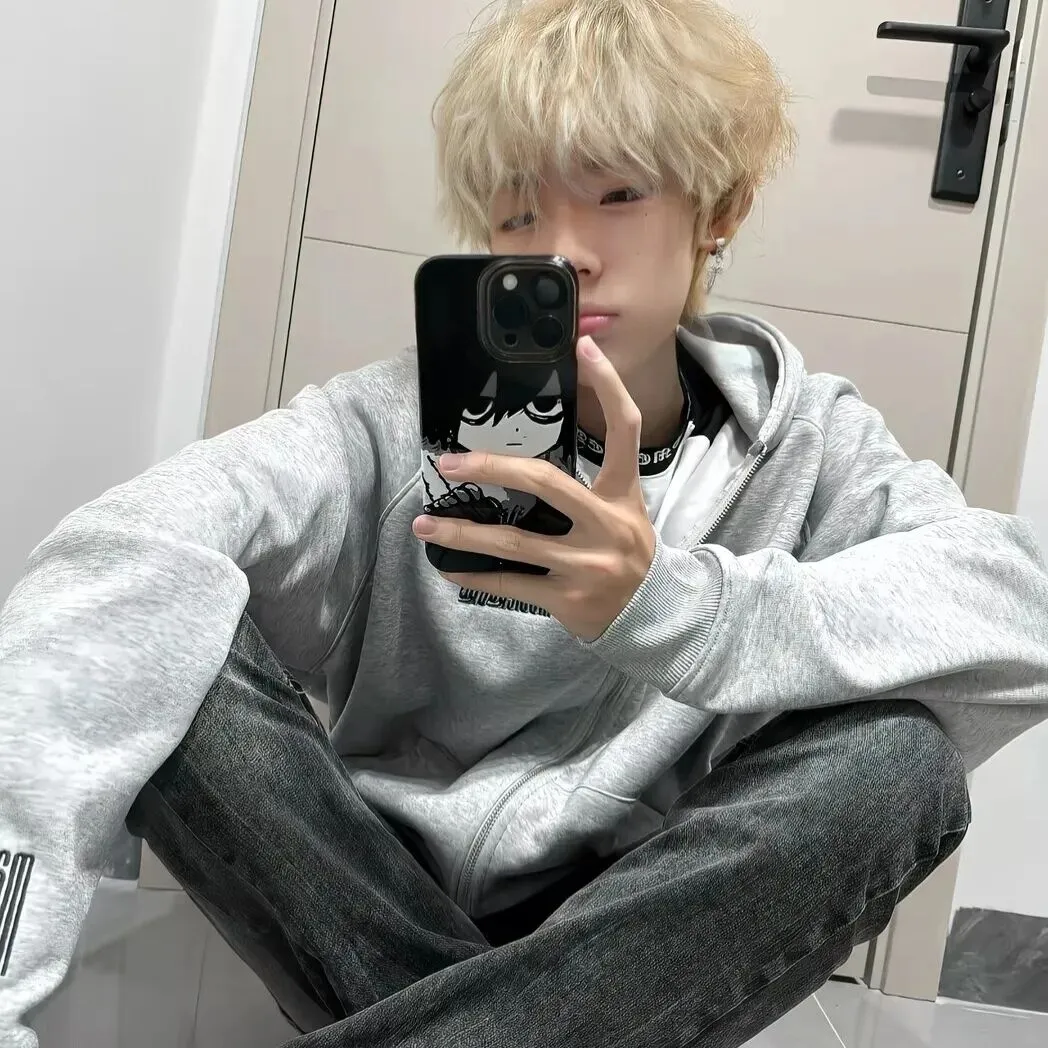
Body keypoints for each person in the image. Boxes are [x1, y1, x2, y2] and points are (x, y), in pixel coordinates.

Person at [2, 1, 1048, 1045]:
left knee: (899, 762)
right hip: (368, 898)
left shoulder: (807, 443)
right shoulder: (392, 423)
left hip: (642, 923)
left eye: (619, 194)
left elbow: (1022, 608)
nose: (563, 253)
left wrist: (676, 610)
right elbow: (123, 552)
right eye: (516, 216)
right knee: (166, 616)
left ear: (719, 208)